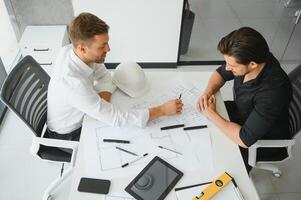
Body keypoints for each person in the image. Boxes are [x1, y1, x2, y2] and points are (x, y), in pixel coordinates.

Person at [47, 12, 183, 142]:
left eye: (107, 43)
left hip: (83, 111)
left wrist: (104, 103)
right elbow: (117, 118)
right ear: (82, 49)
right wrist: (162, 110)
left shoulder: (72, 51)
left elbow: (105, 77)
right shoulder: (73, 84)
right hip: (70, 133)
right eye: (102, 46)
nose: (108, 49)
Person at [198, 27, 292, 173]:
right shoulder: (250, 59)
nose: (228, 68)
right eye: (226, 62)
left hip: (261, 139)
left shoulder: (273, 92)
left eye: (232, 65)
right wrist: (207, 92)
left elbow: (244, 139)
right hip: (242, 114)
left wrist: (211, 114)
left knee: (220, 167)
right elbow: (220, 73)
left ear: (252, 64)